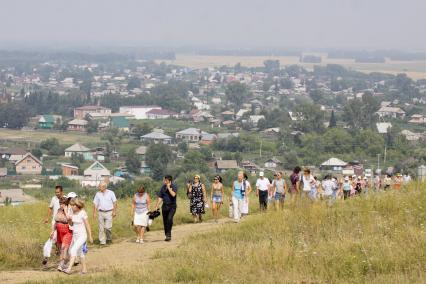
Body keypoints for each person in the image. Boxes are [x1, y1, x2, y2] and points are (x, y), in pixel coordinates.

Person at [64, 198, 93, 275]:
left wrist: (90, 236)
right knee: (80, 253)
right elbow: (71, 224)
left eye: (73, 205)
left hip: (82, 236)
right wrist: (69, 219)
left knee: (73, 250)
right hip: (75, 236)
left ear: (77, 206)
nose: (72, 207)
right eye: (71, 205)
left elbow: (87, 225)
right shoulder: (73, 214)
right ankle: (84, 269)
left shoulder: (83, 213)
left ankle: (69, 269)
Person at [51, 197, 73, 271]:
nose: (61, 205)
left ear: (66, 203)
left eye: (62, 203)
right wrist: (52, 231)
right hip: (59, 231)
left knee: (64, 247)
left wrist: (66, 211)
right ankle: (63, 263)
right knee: (61, 249)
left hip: (67, 231)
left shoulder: (69, 210)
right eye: (60, 203)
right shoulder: (58, 210)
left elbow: (69, 220)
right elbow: (56, 221)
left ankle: (62, 264)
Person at [154, 175, 178, 241]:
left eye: (165, 180)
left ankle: (169, 235)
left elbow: (173, 194)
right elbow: (160, 197)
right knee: (165, 221)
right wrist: (156, 206)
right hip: (164, 206)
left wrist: (168, 187)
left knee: (169, 219)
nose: (163, 181)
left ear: (168, 181)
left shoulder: (174, 186)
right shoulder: (163, 188)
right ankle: (167, 235)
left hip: (172, 206)